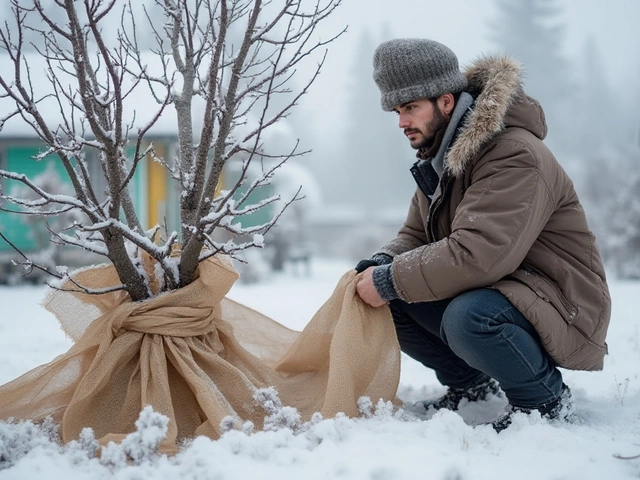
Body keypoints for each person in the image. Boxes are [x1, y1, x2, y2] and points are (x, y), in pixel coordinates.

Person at [354, 38, 612, 431]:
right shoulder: (442, 158)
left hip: (563, 301)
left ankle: (544, 401)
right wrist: (380, 266)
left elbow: (479, 255)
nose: (402, 122)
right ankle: (471, 386)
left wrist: (390, 280)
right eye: (396, 110)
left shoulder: (512, 153)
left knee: (468, 316)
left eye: (410, 108)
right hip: (507, 290)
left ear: (445, 101)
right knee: (390, 299)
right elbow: (415, 236)